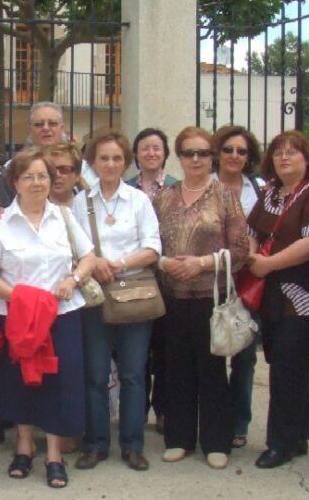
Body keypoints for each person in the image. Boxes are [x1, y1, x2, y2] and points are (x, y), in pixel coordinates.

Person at [0, 148, 97, 489]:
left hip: (61, 316)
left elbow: (88, 257)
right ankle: (24, 448)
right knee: (19, 381)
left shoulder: (64, 217)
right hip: (18, 317)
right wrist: (22, 300)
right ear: (15, 182)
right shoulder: (1, 223)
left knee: (59, 382)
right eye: (28, 176)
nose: (36, 182)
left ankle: (54, 455)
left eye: (43, 176)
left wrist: (73, 279)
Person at [153, 126, 248, 471]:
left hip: (211, 297)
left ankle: (216, 441)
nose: (196, 159)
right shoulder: (164, 197)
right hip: (172, 296)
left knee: (212, 369)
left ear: (212, 157)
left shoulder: (225, 195)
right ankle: (178, 439)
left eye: (203, 153)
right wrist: (165, 263)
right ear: (178, 157)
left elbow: (241, 249)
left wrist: (202, 263)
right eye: (188, 153)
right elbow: (149, 243)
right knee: (176, 367)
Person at [72, 132, 161, 473]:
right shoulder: (81, 202)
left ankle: (132, 445)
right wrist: (94, 263)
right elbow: (73, 247)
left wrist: (118, 264)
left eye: (117, 158)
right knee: (95, 375)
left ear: (126, 162)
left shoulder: (138, 201)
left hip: (133, 295)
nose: (110, 164)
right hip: (95, 297)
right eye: (104, 158)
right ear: (93, 163)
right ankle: (96, 444)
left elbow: (153, 248)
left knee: (133, 375)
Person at [244, 130, 309, 469]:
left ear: (307, 158)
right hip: (269, 294)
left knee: (287, 365)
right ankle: (299, 434)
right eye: (278, 152)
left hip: (299, 295)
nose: (284, 157)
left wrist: (267, 264)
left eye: (292, 152)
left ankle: (280, 443)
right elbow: (251, 231)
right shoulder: (270, 193)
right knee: (286, 364)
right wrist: (254, 256)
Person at [211, 124, 264, 450]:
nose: (234, 155)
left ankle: (238, 423)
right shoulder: (205, 185)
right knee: (213, 354)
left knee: (244, 358)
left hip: (247, 282)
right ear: (217, 153)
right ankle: (214, 420)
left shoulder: (260, 189)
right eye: (228, 149)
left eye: (241, 151)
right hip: (211, 281)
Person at [126, 127, 177, 437]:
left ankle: (164, 409)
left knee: (166, 347)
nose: (151, 153)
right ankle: (138, 408)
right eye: (145, 148)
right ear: (136, 154)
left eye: (157, 148)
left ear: (165, 153)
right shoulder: (125, 188)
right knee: (137, 351)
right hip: (134, 277)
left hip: (168, 277)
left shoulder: (176, 187)